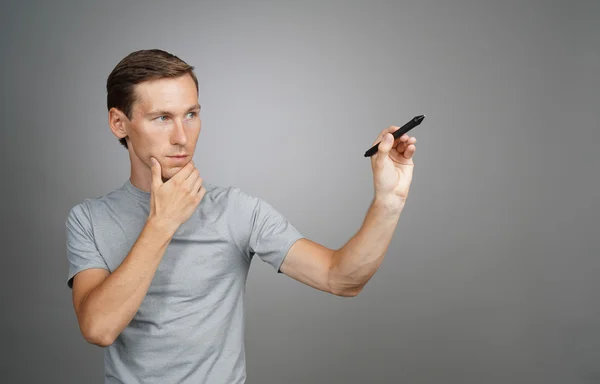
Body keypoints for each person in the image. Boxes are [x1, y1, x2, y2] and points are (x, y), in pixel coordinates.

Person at [65, 48, 418, 384]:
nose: (182, 137)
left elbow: (341, 279)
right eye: (162, 118)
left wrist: (389, 200)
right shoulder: (88, 219)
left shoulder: (236, 210)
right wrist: (162, 223)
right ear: (118, 123)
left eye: (191, 114)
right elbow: (99, 328)